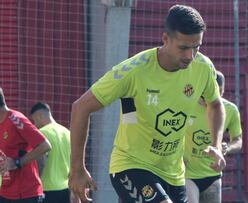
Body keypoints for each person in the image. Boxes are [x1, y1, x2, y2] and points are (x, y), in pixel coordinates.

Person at [69, 4, 226, 203]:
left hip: (173, 174)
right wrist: (77, 169)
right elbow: (81, 107)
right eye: (184, 48)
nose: (190, 56)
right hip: (131, 166)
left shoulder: (203, 67)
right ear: (165, 39)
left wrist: (217, 145)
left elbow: (216, 104)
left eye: (196, 47)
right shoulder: (133, 71)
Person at [184, 71, 242, 203]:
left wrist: (228, 147)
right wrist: (177, 156)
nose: (216, 95)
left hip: (213, 174)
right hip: (188, 173)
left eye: (220, 92)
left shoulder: (230, 110)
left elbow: (238, 140)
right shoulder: (186, 105)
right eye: (212, 91)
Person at [0, 87, 52, 202]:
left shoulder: (15, 119)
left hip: (26, 194)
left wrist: (17, 162)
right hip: (5, 192)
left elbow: (45, 145)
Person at [30, 102, 71, 203]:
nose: (34, 125)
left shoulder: (41, 133)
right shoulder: (67, 132)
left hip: (47, 189)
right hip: (66, 189)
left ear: (39, 116)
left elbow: (41, 162)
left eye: (34, 120)